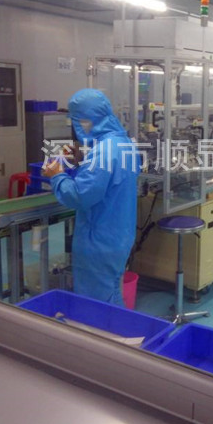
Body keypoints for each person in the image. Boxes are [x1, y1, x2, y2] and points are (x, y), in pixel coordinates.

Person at [44, 88, 139, 305]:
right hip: (118, 233)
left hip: (99, 239)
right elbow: (106, 181)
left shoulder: (103, 151)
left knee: (97, 301)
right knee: (111, 291)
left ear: (87, 120)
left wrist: (56, 175)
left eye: (79, 121)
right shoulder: (123, 143)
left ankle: (103, 328)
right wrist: (81, 161)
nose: (78, 127)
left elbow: (80, 196)